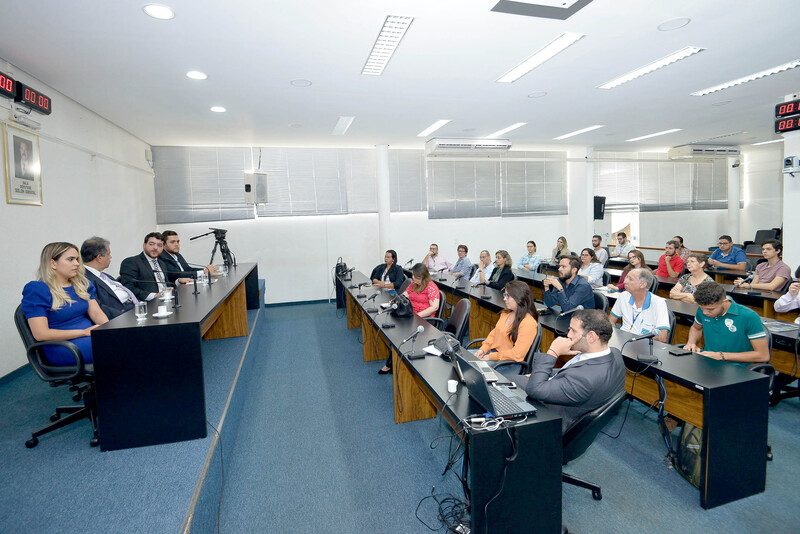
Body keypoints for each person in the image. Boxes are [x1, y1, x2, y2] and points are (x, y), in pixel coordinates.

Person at [507, 309, 625, 433]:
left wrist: (553, 351)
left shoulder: (584, 380)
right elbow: (572, 370)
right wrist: (545, 373)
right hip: (563, 392)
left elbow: (534, 389)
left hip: (551, 417)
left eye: (573, 331)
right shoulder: (614, 353)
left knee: (503, 383)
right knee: (506, 380)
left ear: (591, 337)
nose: (568, 335)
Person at [21, 242, 109, 365]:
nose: (77, 263)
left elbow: (96, 313)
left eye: (77, 259)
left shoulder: (82, 284)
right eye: (70, 259)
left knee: (124, 339)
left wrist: (110, 330)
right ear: (53, 263)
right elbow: (41, 334)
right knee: (117, 347)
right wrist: (83, 332)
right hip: (65, 347)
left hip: (89, 337)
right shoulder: (38, 289)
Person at [685, 281, 769, 364]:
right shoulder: (703, 309)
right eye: (702, 308)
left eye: (711, 309)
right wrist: (691, 343)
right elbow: (696, 328)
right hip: (708, 361)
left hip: (737, 367)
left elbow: (763, 355)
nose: (705, 313)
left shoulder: (749, 316)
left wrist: (721, 356)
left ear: (725, 301)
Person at [378, 263, 439, 374]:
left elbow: (434, 307)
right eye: (413, 275)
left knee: (399, 334)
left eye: (416, 276)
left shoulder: (431, 287)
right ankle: (395, 362)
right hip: (410, 315)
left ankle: (390, 364)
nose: (413, 278)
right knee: (394, 330)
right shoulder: (414, 284)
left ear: (423, 276)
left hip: (424, 320)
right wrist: (395, 301)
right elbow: (403, 295)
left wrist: (418, 316)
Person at [473, 281, 538, 363]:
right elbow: (494, 334)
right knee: (465, 359)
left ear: (519, 297)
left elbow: (517, 355)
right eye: (505, 295)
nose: (504, 299)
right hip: (496, 354)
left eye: (508, 296)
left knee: (472, 366)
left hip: (509, 362)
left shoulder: (528, 323)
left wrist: (490, 357)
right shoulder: (506, 313)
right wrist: (483, 349)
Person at [81, 236, 137, 319]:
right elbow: (99, 308)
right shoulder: (84, 279)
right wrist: (126, 317)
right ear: (99, 258)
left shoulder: (104, 275)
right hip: (121, 316)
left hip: (135, 309)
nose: (110, 257)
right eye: (108, 254)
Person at [609, 268, 671, 343]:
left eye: (630, 279)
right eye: (626, 278)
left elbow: (662, 337)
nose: (625, 281)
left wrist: (637, 341)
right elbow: (611, 321)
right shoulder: (623, 296)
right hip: (623, 341)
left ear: (642, 284)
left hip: (644, 345)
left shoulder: (658, 303)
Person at [119, 232, 171, 302]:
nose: (155, 248)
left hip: (166, 299)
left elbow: (166, 284)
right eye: (151, 244)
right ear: (144, 245)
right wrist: (154, 296)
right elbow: (128, 287)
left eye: (159, 245)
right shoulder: (131, 262)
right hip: (147, 303)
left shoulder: (162, 263)